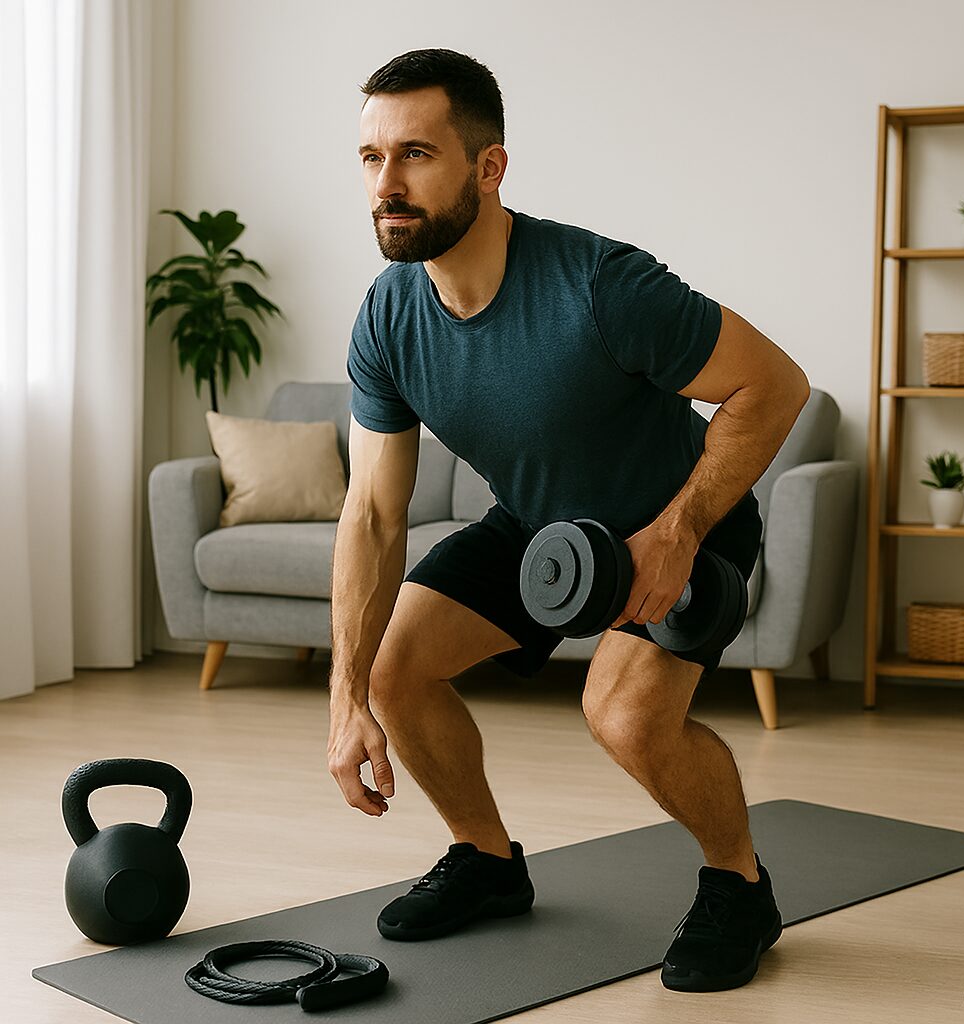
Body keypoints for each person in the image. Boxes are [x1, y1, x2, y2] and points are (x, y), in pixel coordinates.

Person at [326, 48, 809, 993]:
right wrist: (345, 699)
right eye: (372, 157)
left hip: (680, 522)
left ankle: (739, 884)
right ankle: (486, 861)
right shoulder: (388, 316)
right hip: (542, 528)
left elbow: (774, 385)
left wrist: (678, 532)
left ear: (489, 167)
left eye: (416, 154)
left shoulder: (600, 284)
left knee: (624, 717)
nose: (387, 184)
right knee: (393, 668)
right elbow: (374, 511)